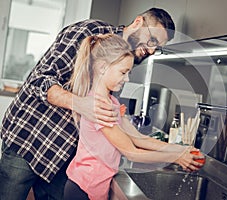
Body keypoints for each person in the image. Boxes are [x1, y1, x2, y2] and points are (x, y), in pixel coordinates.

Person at [0, 7, 176, 200]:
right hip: (31, 140)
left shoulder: (124, 61)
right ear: (137, 22)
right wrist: (80, 104)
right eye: (152, 40)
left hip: (65, 158)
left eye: (157, 47)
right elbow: (39, 80)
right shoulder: (87, 32)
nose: (151, 50)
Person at [63, 33, 203, 200]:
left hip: (91, 187)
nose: (127, 78)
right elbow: (131, 152)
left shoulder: (111, 102)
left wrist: (182, 149)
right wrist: (176, 157)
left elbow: (139, 139)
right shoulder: (98, 107)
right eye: (123, 72)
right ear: (102, 67)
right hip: (82, 190)